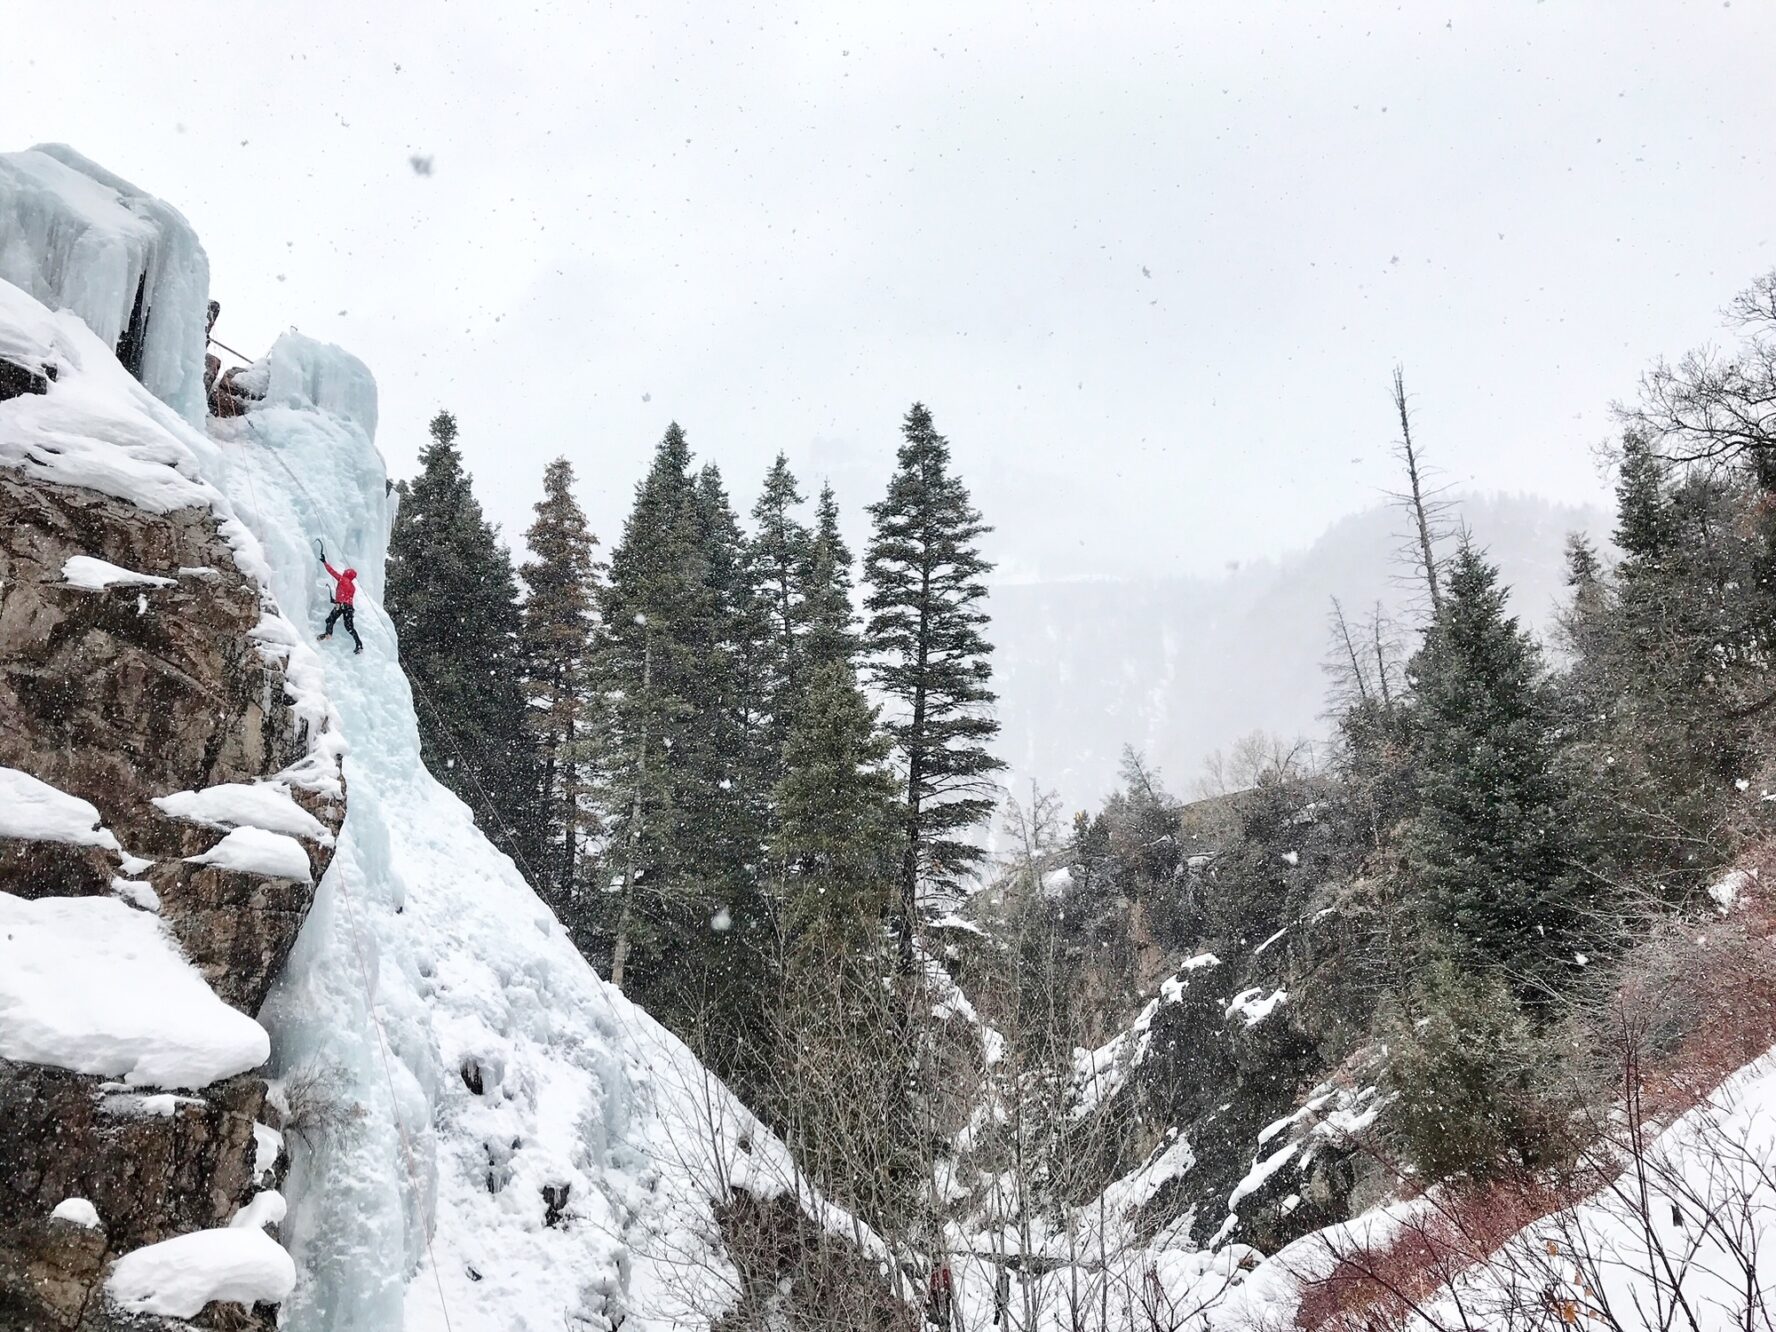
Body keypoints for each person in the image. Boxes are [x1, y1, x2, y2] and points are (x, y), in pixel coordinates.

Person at [318, 554, 363, 653]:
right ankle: (359, 644)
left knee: (331, 619)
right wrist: (337, 601)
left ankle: (328, 634)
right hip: (349, 607)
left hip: (342, 605)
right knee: (349, 627)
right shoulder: (353, 586)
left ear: (347, 574)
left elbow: (332, 572)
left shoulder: (343, 579)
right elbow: (346, 597)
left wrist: (325, 562)